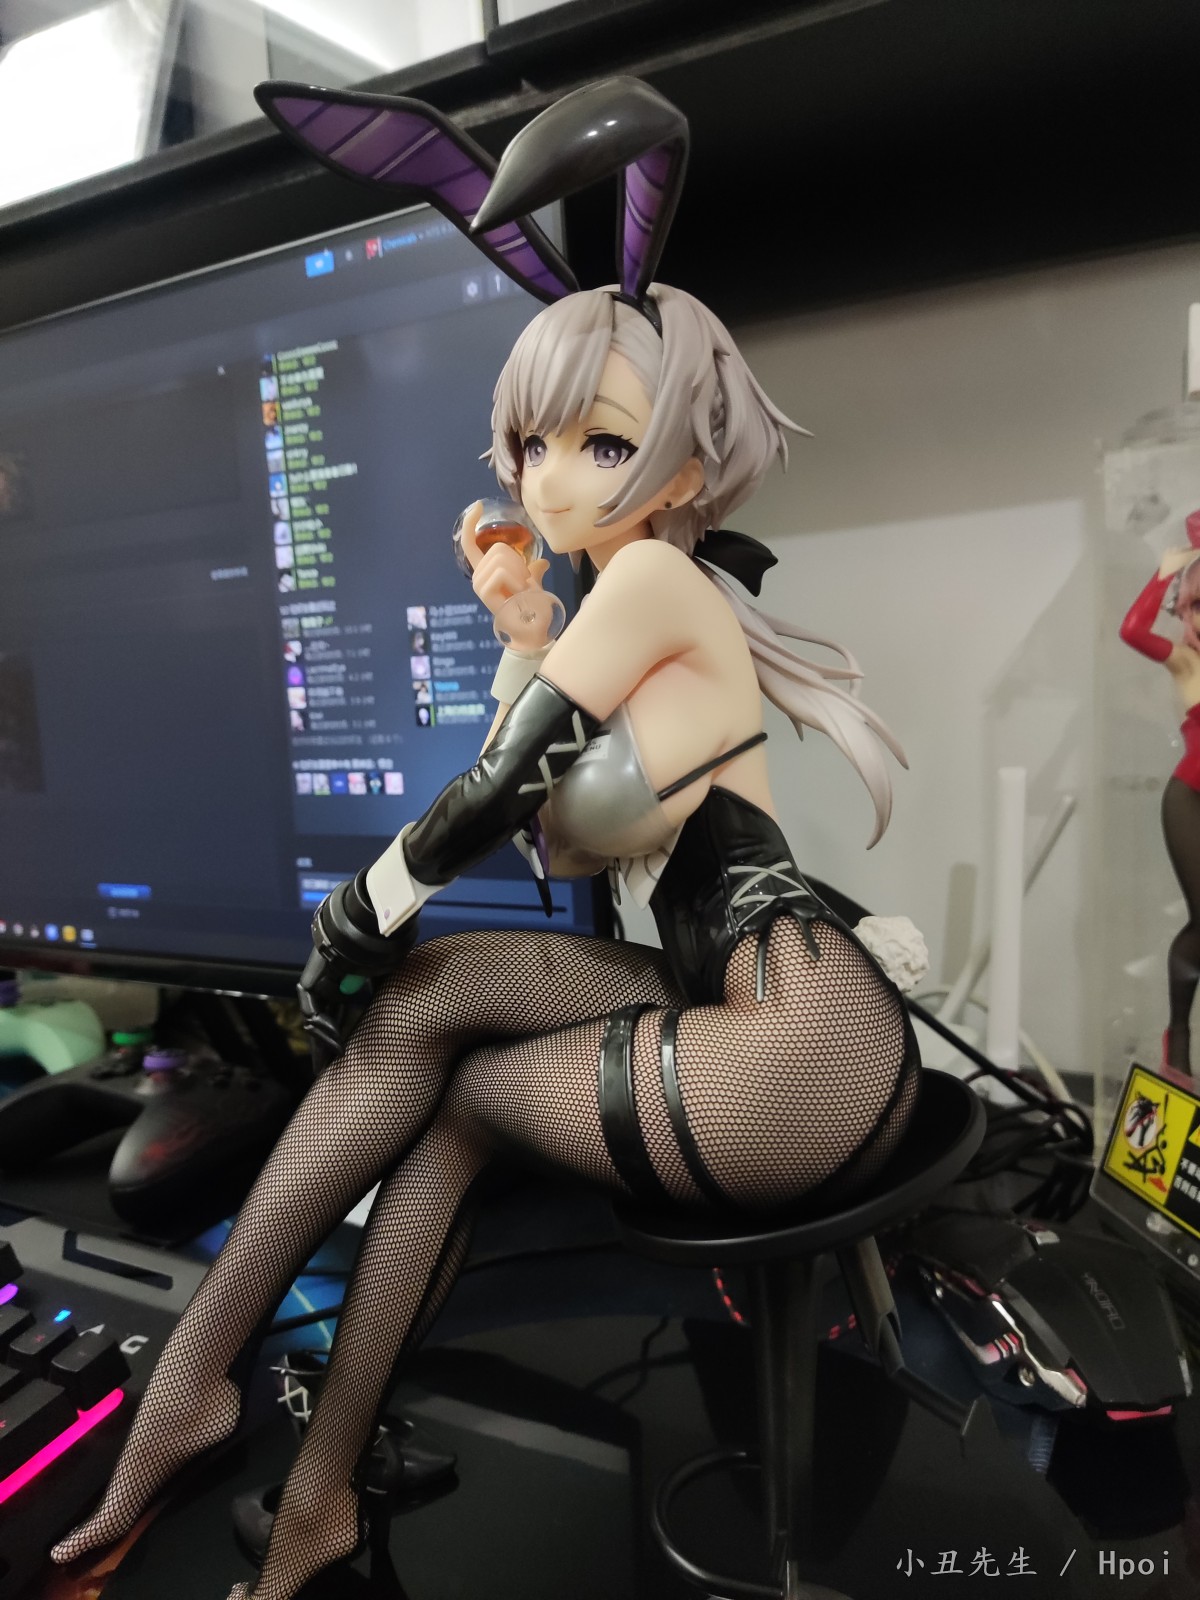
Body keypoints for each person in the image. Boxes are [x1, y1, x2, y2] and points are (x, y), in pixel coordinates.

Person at [52, 79, 921, 1600]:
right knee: (432, 1010)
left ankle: (234, 1424)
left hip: (800, 1050)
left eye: (601, 440)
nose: (547, 476)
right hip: (737, 1004)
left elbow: (501, 794)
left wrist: (361, 905)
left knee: (440, 1069)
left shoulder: (657, 580)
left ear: (686, 466)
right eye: (529, 441)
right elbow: (565, 851)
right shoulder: (621, 604)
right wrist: (523, 628)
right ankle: (233, 1422)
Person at [1119, 513, 1200, 1076]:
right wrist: (1166, 572)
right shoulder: (1186, 661)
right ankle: (1179, 1038)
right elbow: (1131, 630)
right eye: (1197, 604)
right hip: (1189, 800)